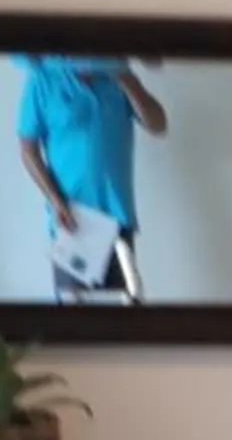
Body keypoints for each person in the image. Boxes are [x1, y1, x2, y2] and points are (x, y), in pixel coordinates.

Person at [15, 56, 167, 302]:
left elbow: (158, 125)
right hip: (71, 220)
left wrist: (126, 80)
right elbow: (27, 149)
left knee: (127, 315)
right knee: (73, 323)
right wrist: (55, 200)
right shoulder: (43, 81)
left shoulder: (118, 78)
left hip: (118, 218)